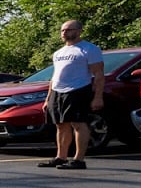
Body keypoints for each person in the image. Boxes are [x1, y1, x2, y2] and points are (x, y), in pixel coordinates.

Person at [38, 19, 104, 170]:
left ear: (79, 31)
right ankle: (61, 157)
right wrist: (48, 99)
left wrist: (98, 97)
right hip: (57, 91)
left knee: (78, 124)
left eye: (68, 29)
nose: (64, 33)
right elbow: (55, 76)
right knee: (60, 125)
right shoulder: (59, 53)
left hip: (78, 90)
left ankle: (79, 160)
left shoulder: (89, 49)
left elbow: (99, 74)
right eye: (62, 30)